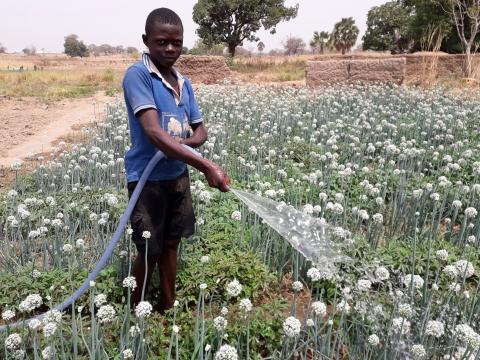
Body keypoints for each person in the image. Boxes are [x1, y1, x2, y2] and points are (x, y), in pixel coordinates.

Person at [122, 7, 230, 313]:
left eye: (176, 42)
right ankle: (135, 311)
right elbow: (154, 133)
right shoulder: (138, 75)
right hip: (147, 178)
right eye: (161, 42)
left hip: (177, 175)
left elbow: (201, 131)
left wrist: (181, 144)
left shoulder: (183, 81)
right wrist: (207, 165)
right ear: (146, 40)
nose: (169, 49)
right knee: (149, 248)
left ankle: (167, 305)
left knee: (172, 243)